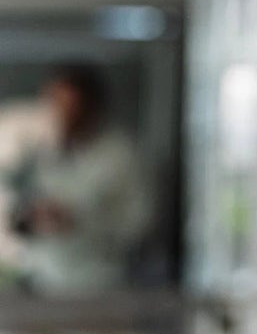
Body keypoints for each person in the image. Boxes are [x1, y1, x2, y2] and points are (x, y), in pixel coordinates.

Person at [0, 66, 154, 296]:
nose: (62, 115)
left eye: (72, 107)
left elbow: (139, 224)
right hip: (37, 280)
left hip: (98, 283)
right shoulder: (33, 145)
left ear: (92, 107)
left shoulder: (121, 155)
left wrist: (79, 221)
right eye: (55, 104)